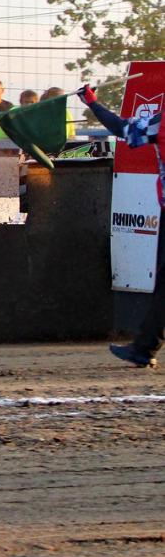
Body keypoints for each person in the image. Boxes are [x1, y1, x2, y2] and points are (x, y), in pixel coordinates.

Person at [80, 84, 165, 368]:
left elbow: (123, 129)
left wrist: (93, 102)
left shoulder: (161, 123)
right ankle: (145, 347)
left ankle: (145, 349)